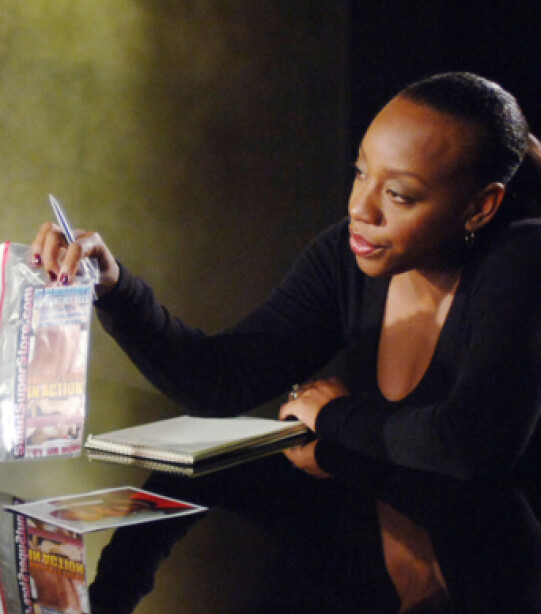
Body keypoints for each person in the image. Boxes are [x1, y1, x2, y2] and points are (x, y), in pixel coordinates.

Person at [31, 72, 541, 479]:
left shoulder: (523, 258)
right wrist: (114, 289)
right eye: (361, 173)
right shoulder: (346, 255)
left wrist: (336, 416)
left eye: (399, 195)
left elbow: (474, 443)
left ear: (480, 207)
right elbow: (220, 382)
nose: (360, 209)